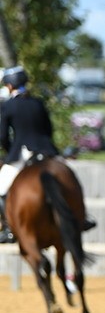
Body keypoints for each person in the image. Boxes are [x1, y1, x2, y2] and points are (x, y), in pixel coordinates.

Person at [0, 65, 60, 243]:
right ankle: (83, 217)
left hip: (23, 152)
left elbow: (2, 136)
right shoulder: (38, 103)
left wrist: (10, 152)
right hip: (48, 151)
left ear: (10, 85)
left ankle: (8, 229)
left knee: (1, 189)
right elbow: (49, 129)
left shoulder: (8, 106)